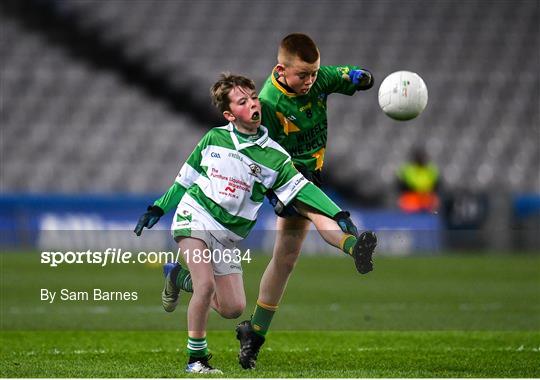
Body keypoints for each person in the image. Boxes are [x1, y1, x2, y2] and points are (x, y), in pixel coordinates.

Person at [134, 73, 377, 374]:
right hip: (194, 216)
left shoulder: (275, 157)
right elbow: (185, 181)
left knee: (232, 308)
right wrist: (158, 207)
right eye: (242, 101)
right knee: (206, 285)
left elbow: (304, 189)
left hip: (227, 236)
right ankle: (196, 359)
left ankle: (177, 277)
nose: (252, 104)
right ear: (229, 114)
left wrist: (339, 213)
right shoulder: (214, 138)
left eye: (252, 97)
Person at [235, 33, 378, 370]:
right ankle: (354, 246)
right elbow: (256, 149)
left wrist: (364, 78)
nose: (310, 81)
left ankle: (253, 334)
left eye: (313, 73)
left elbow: (352, 76)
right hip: (285, 176)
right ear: (281, 70)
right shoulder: (267, 103)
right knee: (320, 214)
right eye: (303, 75)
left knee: (285, 258)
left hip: (312, 171)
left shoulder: (318, 77)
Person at [396, 146, 440, 213]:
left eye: (422, 157)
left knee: (434, 201)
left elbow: (437, 185)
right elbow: (402, 186)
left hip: (427, 197)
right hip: (412, 197)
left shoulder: (431, 170)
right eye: (419, 157)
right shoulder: (408, 170)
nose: (421, 159)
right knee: (405, 201)